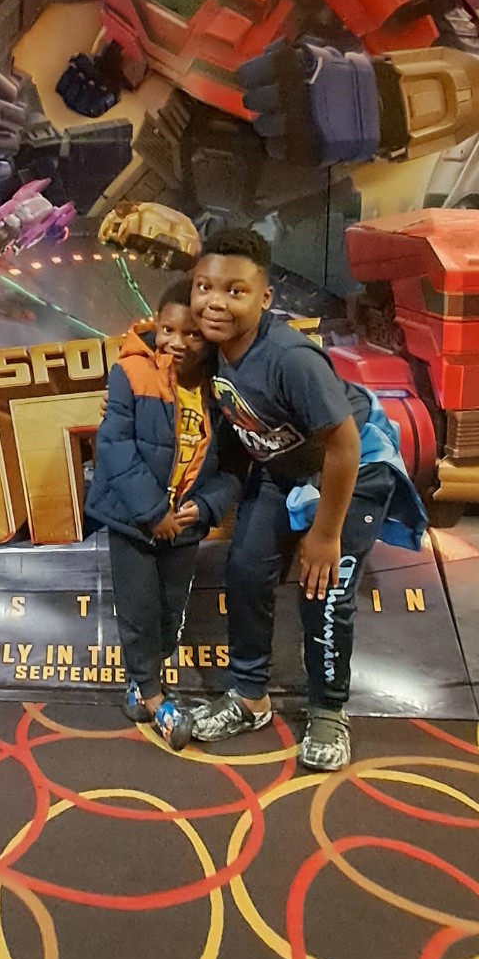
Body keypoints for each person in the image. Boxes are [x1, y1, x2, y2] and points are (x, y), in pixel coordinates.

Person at [188, 225, 426, 770]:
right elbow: (239, 435)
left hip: (353, 471)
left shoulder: (291, 358)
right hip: (288, 469)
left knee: (325, 591)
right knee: (246, 569)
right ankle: (250, 697)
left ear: (264, 298)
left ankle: (328, 710)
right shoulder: (216, 352)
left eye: (235, 291)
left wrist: (324, 533)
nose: (215, 302)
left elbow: (344, 445)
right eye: (204, 287)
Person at [86, 280, 237, 749]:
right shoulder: (131, 371)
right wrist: (154, 513)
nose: (176, 342)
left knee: (171, 612)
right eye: (168, 329)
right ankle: (153, 697)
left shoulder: (221, 388)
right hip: (134, 522)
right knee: (139, 610)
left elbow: (235, 467)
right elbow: (114, 445)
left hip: (185, 528)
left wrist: (207, 506)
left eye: (191, 333)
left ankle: (142, 683)